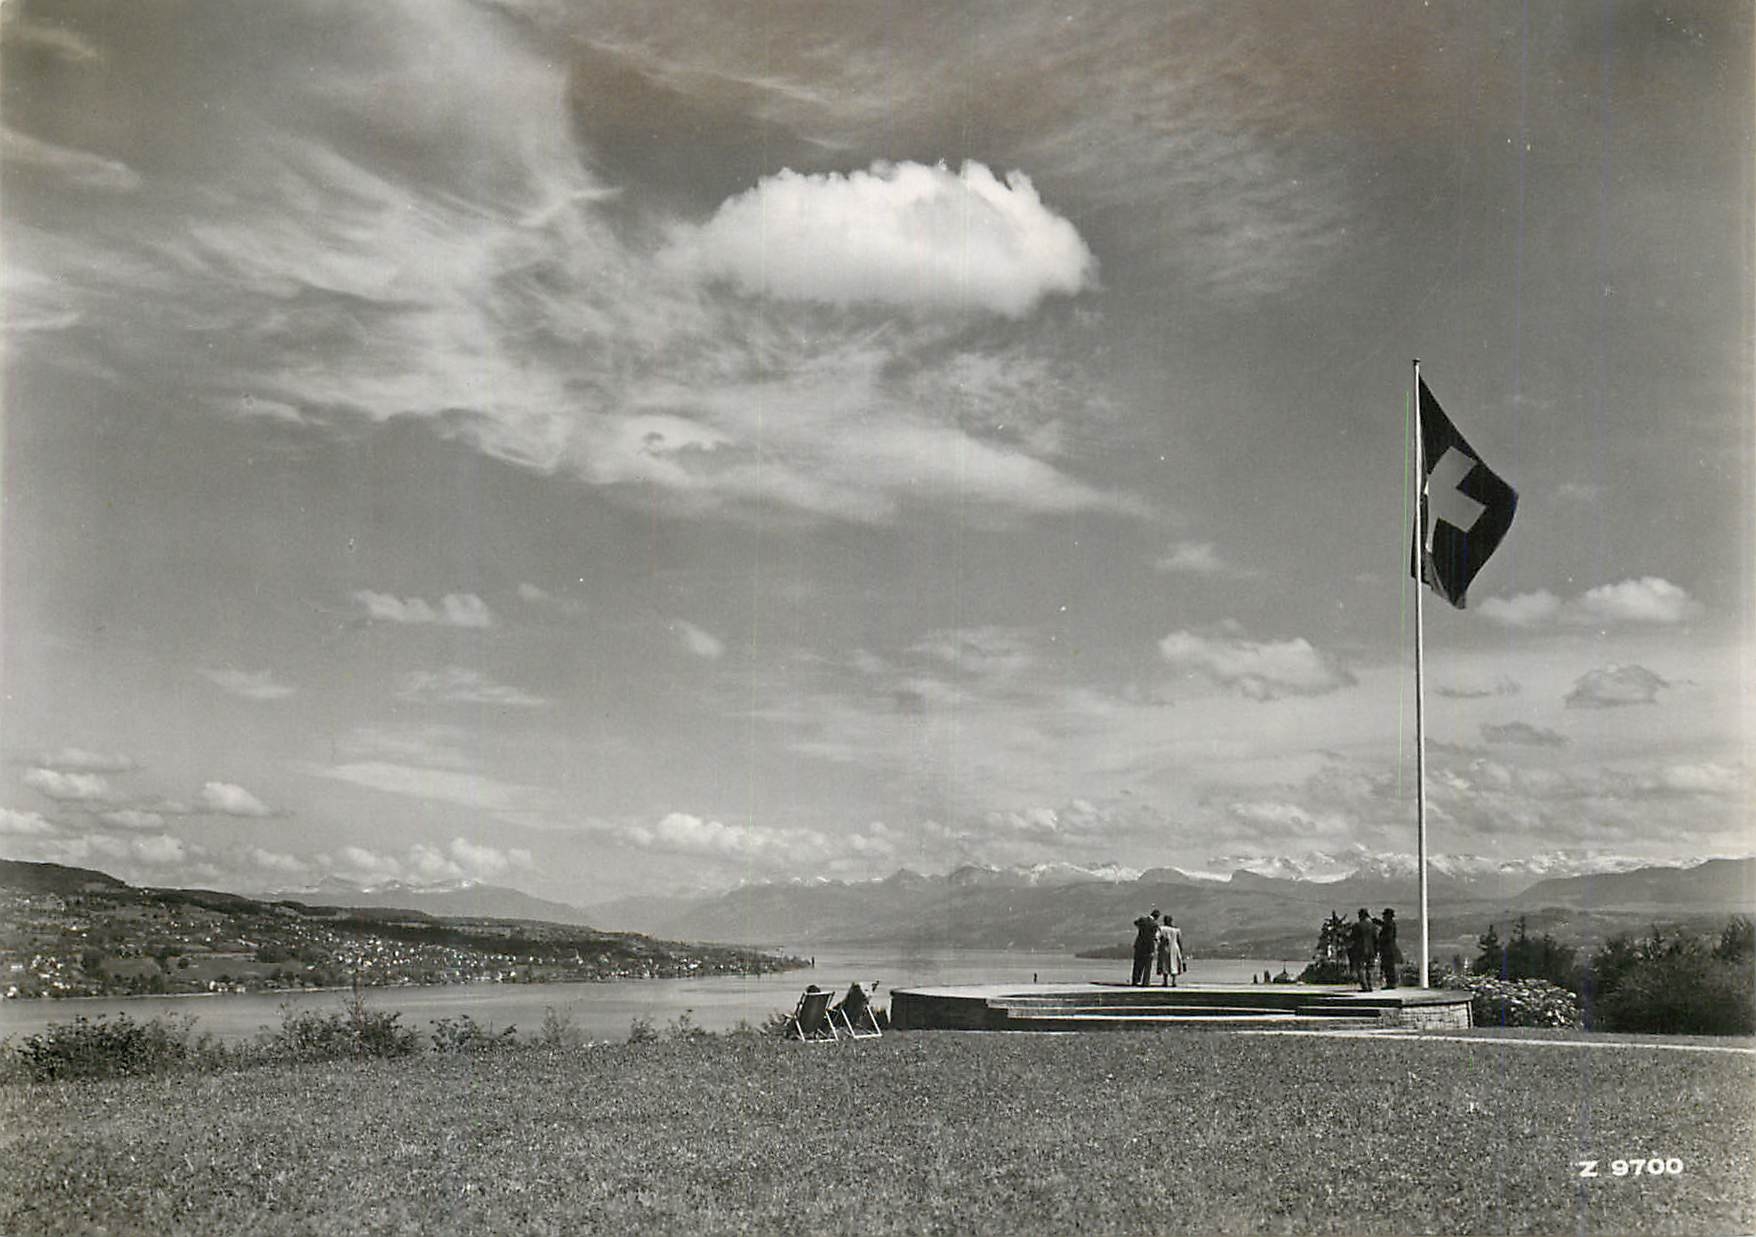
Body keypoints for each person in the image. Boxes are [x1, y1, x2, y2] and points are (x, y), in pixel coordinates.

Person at [1350, 908, 1379, 992]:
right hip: (1371, 950)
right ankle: (1370, 985)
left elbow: (1352, 938)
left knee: (1360, 968)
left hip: (1360, 950)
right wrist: (1376, 950)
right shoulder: (1373, 926)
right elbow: (1376, 939)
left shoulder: (1357, 926)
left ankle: (1364, 986)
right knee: (1370, 968)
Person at [1131, 909, 1161, 986]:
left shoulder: (1142, 920)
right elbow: (1154, 936)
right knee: (1148, 965)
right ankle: (1145, 982)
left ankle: (1135, 980)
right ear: (1157, 917)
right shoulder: (1155, 925)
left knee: (1137, 964)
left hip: (1139, 945)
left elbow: (1135, 923)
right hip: (1149, 946)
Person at [1155, 915, 1185, 987]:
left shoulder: (1161, 928)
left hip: (1165, 947)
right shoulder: (1176, 930)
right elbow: (1179, 941)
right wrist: (1181, 949)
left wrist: (1159, 943)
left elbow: (1156, 937)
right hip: (1175, 947)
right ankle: (1174, 982)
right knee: (1174, 964)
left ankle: (1165, 981)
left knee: (1165, 964)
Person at [1377, 908, 1400, 989]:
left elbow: (1388, 937)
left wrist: (1379, 940)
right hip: (1388, 949)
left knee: (1389, 967)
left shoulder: (1390, 925)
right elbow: (1383, 924)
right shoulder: (1389, 924)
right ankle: (1390, 983)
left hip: (1388, 950)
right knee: (1388, 967)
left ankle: (1391, 983)